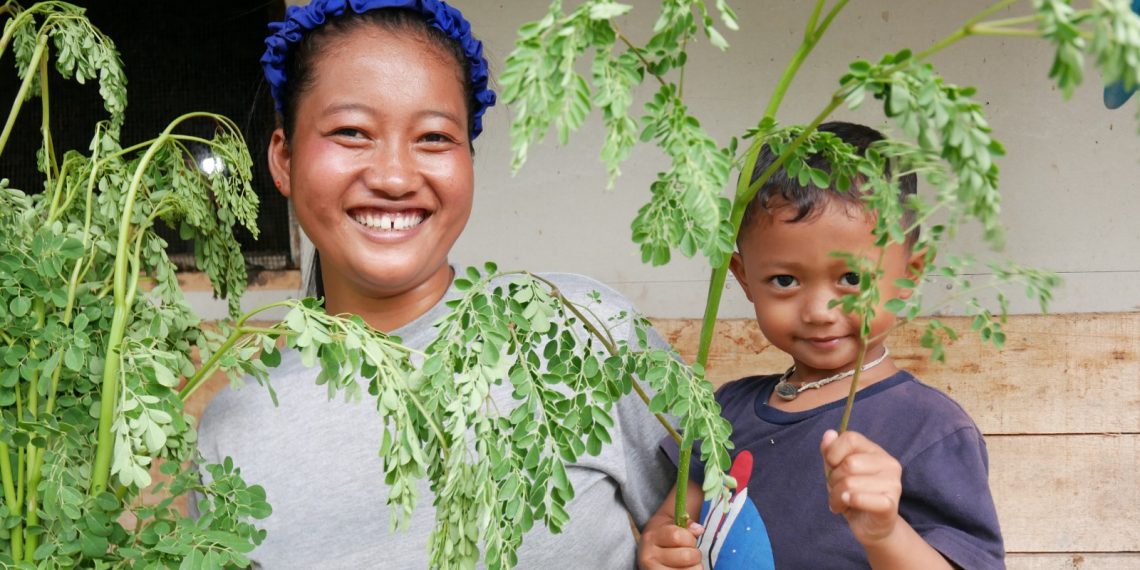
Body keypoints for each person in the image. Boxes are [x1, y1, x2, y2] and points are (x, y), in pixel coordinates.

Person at [194, 1, 673, 567]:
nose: (394, 176)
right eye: (351, 132)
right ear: (284, 160)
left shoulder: (584, 328)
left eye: (434, 138)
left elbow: (714, 503)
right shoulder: (234, 427)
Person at [638, 122, 1005, 569]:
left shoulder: (931, 429)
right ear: (743, 276)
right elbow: (672, 518)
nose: (818, 310)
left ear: (910, 273)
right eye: (785, 280)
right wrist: (661, 545)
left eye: (852, 279)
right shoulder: (725, 410)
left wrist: (885, 534)